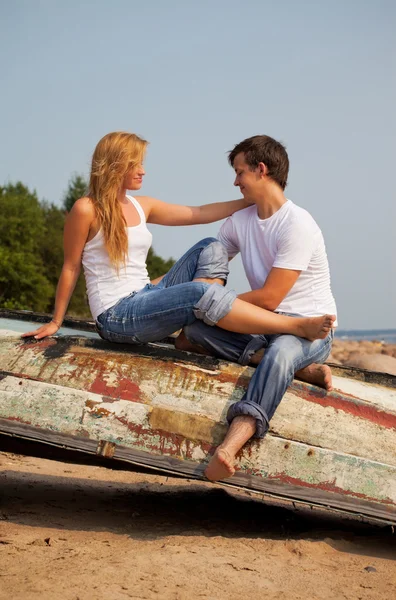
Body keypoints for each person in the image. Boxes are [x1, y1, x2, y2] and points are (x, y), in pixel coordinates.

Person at [23, 130, 334, 376]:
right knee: (199, 292)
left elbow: (197, 212)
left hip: (144, 296)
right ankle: (289, 326)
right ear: (116, 165)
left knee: (209, 247)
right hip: (117, 315)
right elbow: (70, 267)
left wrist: (250, 200)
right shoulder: (85, 209)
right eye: (137, 164)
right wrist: (56, 320)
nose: (143, 170)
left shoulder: (140, 205)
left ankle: (209, 314)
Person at [177, 135, 337, 481]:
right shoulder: (240, 222)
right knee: (191, 333)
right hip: (265, 325)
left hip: (308, 326)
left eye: (239, 172)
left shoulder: (298, 224)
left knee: (281, 351)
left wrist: (209, 302)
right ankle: (297, 369)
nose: (235, 182)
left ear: (261, 170)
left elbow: (269, 299)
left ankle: (231, 445)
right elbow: (204, 268)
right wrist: (158, 292)